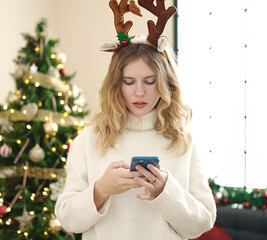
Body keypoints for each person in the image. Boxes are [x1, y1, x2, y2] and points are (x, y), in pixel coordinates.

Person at [55, 2, 216, 239]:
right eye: (129, 82)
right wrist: (101, 190)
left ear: (165, 84)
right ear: (115, 84)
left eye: (150, 82)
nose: (139, 92)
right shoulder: (89, 139)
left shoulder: (182, 141)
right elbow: (68, 220)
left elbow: (202, 223)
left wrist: (165, 191)